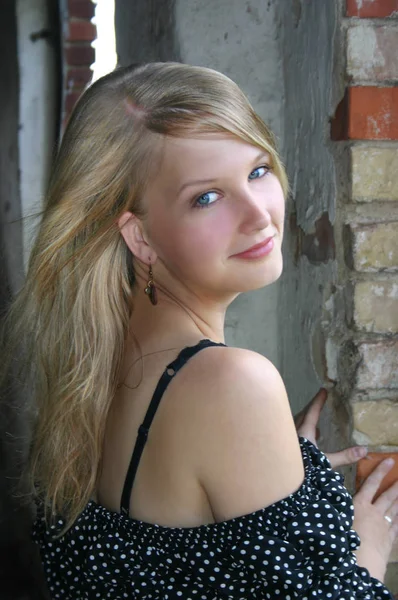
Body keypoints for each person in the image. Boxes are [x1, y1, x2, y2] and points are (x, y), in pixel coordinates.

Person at [4, 62, 397, 599]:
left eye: (258, 170)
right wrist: (367, 546)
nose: (259, 215)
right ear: (139, 236)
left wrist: (280, 482)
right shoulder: (230, 385)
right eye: (206, 197)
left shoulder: (90, 368)